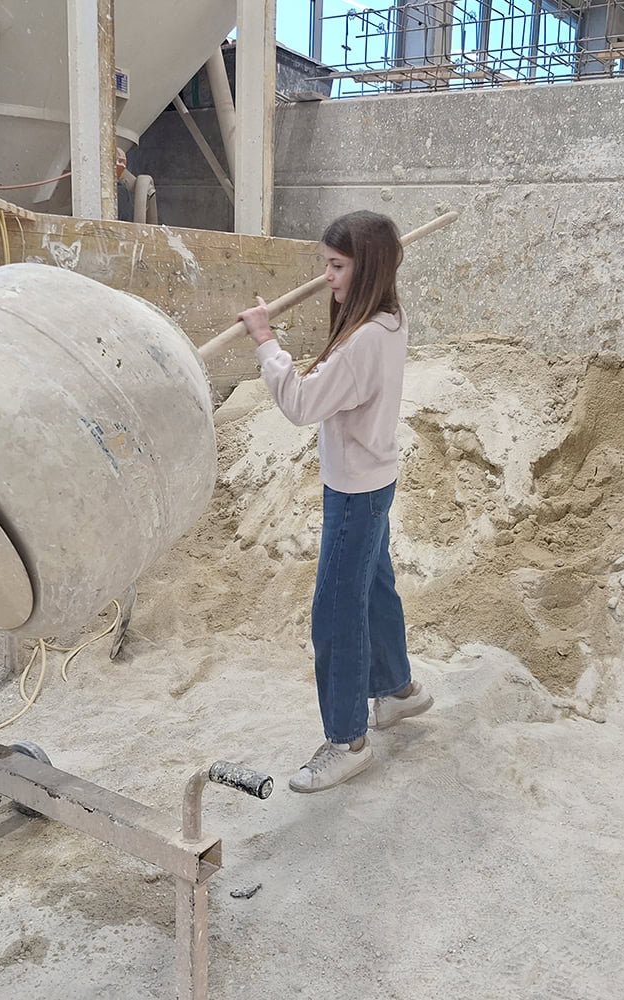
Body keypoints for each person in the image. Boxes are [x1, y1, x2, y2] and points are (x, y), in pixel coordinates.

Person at [237, 210, 433, 794]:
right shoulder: (390, 319)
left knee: (336, 616)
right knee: (373, 587)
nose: (327, 276)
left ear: (368, 267)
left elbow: (301, 404)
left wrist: (266, 342)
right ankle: (398, 690)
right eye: (326, 264)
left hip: (354, 493)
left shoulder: (363, 342)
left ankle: (347, 741)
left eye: (338, 266)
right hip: (375, 479)